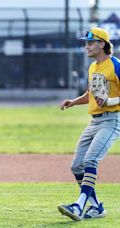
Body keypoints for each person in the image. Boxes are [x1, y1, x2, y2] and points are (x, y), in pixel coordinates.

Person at [58, 27, 120, 221]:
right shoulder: (93, 67)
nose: (86, 46)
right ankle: (96, 207)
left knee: (90, 161)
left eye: (90, 42)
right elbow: (91, 94)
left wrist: (110, 102)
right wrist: (74, 101)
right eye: (86, 42)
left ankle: (78, 206)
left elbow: (107, 99)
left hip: (112, 120)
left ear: (102, 44)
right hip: (94, 122)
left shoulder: (116, 65)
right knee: (77, 166)